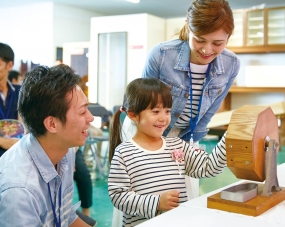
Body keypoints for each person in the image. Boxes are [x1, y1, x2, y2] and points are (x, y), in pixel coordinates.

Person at [122, 0, 240, 200]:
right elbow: (145, 103)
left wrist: (188, 144)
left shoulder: (232, 64)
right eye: (200, 40)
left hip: (184, 135)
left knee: (183, 192)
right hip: (145, 129)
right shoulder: (161, 55)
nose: (207, 50)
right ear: (188, 26)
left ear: (229, 37)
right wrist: (155, 148)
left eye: (218, 43)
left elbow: (208, 113)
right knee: (149, 193)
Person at [108, 78, 227, 226]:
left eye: (167, 111)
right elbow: (118, 197)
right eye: (156, 111)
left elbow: (208, 167)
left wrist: (229, 138)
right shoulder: (124, 153)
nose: (163, 118)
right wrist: (156, 203)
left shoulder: (177, 145)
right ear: (133, 114)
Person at [0, 64, 94, 227]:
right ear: (52, 124)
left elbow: (65, 215)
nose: (91, 117)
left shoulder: (65, 150)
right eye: (82, 112)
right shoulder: (20, 191)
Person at [0, 43, 21, 157]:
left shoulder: (20, 92)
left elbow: (26, 124)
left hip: (18, 154)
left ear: (9, 65)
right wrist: (5, 142)